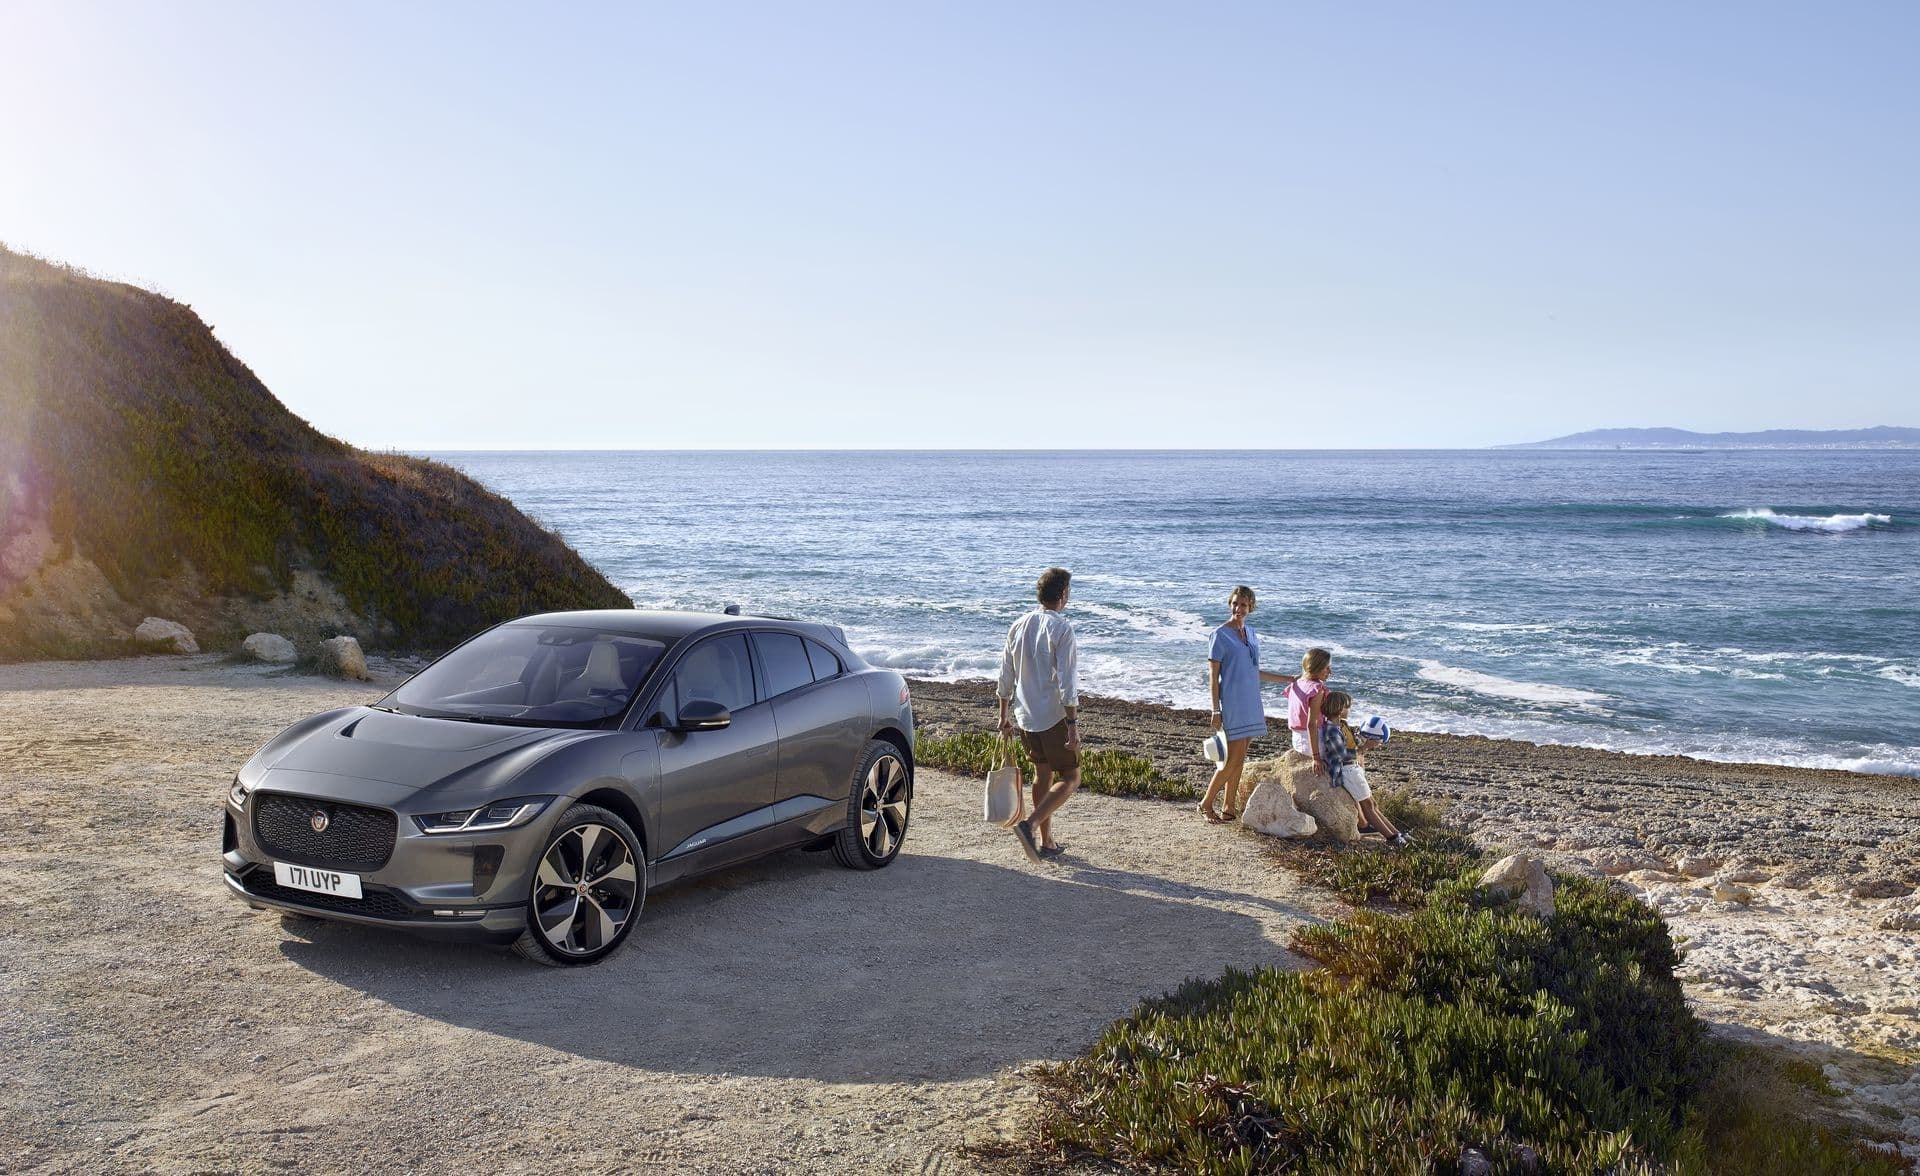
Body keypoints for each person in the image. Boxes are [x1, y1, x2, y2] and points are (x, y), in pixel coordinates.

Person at [996, 567, 1079, 863]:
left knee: (1041, 774)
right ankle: (1029, 826)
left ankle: (1047, 843)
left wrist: (1004, 716)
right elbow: (1068, 686)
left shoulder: (1018, 624)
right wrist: (1072, 725)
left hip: (1024, 715)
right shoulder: (1062, 629)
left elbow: (1006, 674)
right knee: (1071, 776)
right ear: (1064, 595)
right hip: (1053, 716)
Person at [1199, 586, 1297, 822]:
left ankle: (1229, 807)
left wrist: (1289, 680)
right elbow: (1214, 678)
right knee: (1232, 759)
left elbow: (1254, 672)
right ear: (1230, 604)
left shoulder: (1251, 634)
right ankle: (1205, 803)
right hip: (1232, 702)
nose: (1238, 608)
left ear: (1250, 607)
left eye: (1243, 604)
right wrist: (1215, 709)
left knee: (1240, 758)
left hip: (1252, 701)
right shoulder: (1219, 635)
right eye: (1234, 603)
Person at [1319, 690, 1408, 846]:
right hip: (1347, 771)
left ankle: (1396, 833)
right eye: (1348, 707)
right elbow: (1341, 755)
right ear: (1340, 709)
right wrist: (1364, 748)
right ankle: (1393, 839)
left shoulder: (1341, 725)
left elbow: (1353, 741)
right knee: (1368, 806)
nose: (1349, 710)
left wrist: (1365, 741)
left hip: (1353, 769)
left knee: (1373, 804)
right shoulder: (1331, 731)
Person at [1286, 647, 1334, 768]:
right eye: (1327, 668)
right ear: (1316, 667)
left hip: (1297, 739)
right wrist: (1316, 757)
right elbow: (1312, 724)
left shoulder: (1296, 683)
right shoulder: (1317, 690)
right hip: (1313, 742)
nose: (1330, 671)